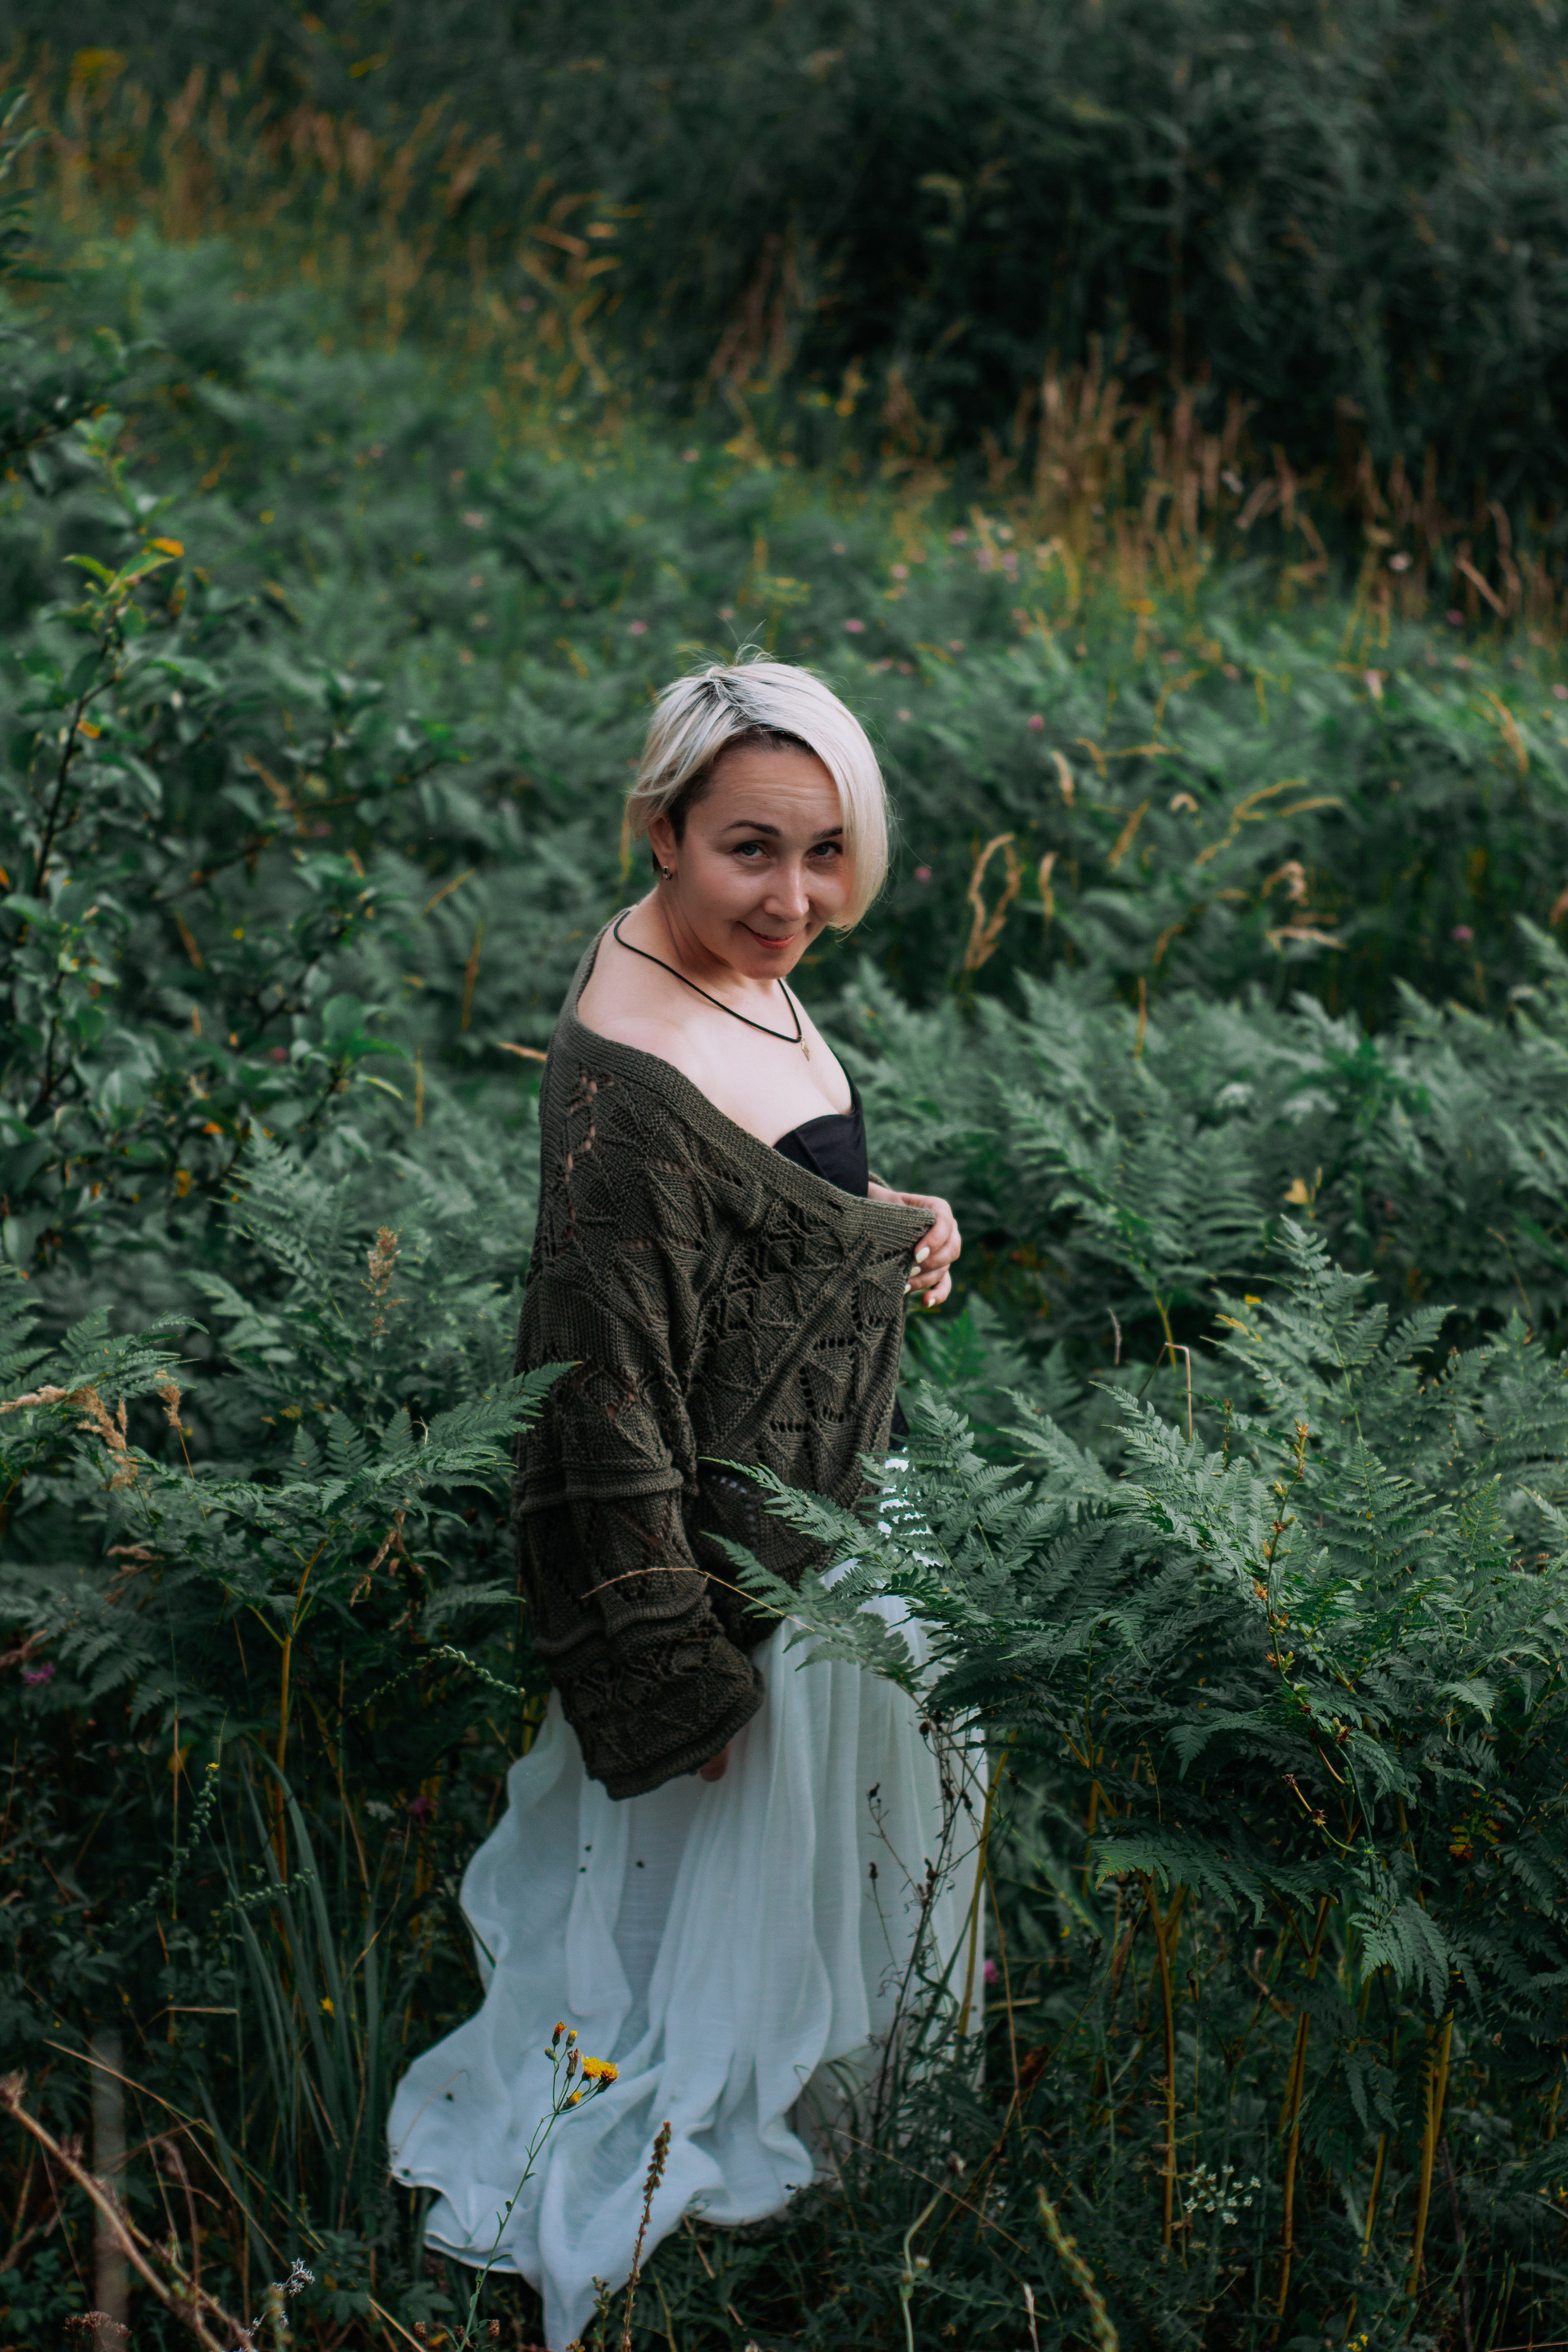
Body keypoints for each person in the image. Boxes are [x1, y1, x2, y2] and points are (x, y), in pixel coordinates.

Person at [388, 656, 974, 2350]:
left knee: (756, 1930)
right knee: (679, 1946)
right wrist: (670, 1666)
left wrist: (885, 1224)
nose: (794, 898)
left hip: (808, 1518)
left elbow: (769, 1197)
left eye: (825, 850)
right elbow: (603, 1392)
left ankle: (789, 2169)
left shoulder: (711, 963)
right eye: (749, 851)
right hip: (732, 1581)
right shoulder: (634, 1068)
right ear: (662, 830)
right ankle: (680, 2219)